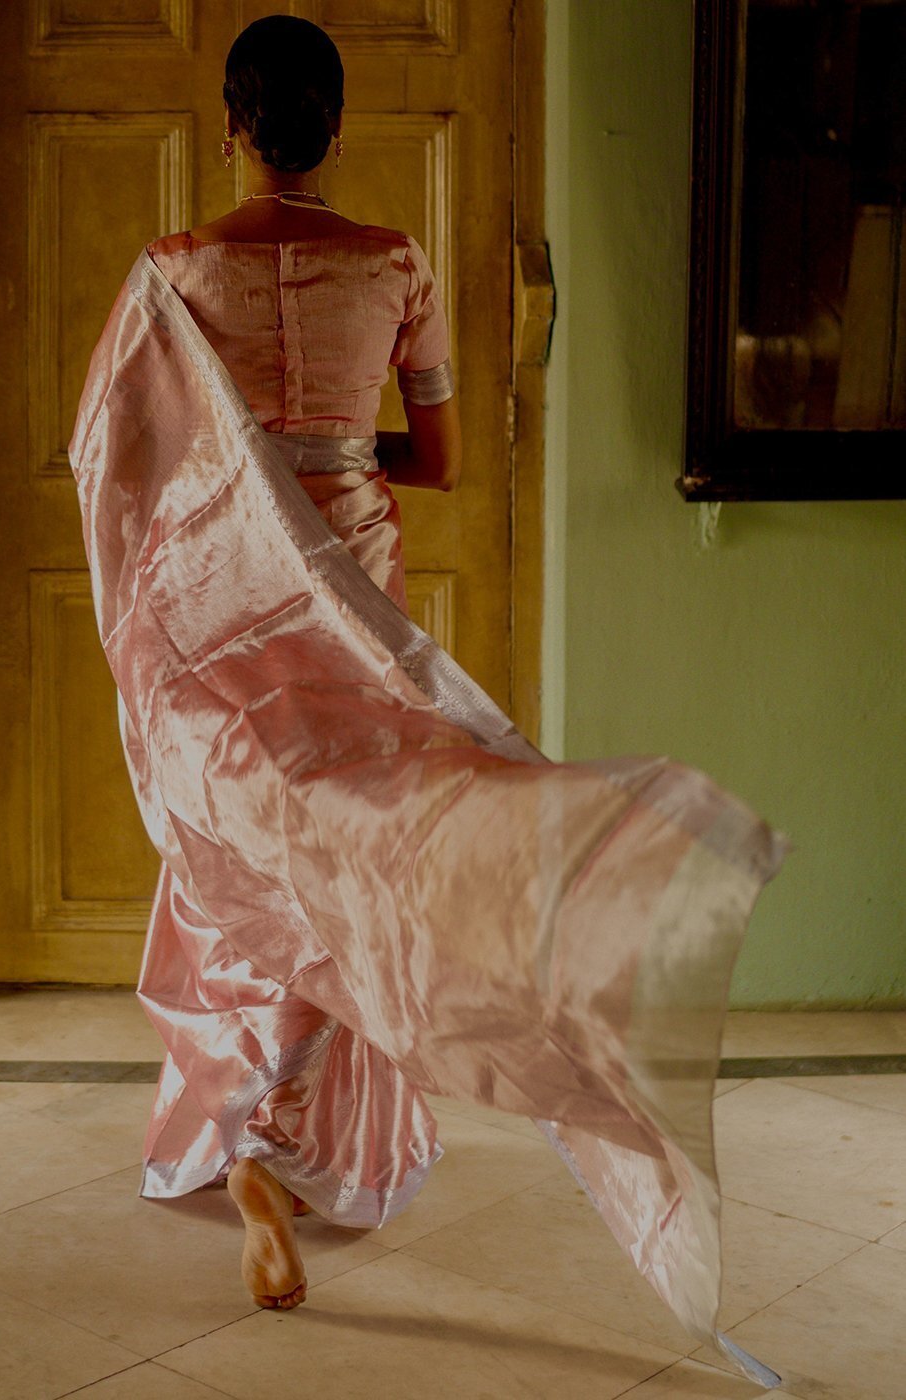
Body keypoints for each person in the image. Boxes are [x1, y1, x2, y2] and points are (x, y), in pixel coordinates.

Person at [68, 15, 789, 1388]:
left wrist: (242, 474)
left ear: (230, 126)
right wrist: (331, 456)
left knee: (239, 851)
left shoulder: (170, 272)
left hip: (219, 609)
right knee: (360, 846)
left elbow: (119, 455)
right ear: (335, 129)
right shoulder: (394, 264)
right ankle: (290, 1141)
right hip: (350, 592)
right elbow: (444, 458)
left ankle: (248, 1137)